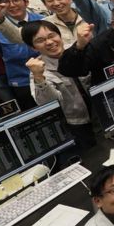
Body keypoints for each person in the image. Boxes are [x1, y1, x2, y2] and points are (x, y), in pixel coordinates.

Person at [20, 21, 94, 150]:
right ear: (33, 47)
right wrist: (39, 77)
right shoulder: (38, 70)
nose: (49, 42)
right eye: (40, 40)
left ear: (59, 36)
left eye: (51, 36)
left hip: (99, 111)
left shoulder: (78, 49)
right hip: (76, 123)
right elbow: (49, 103)